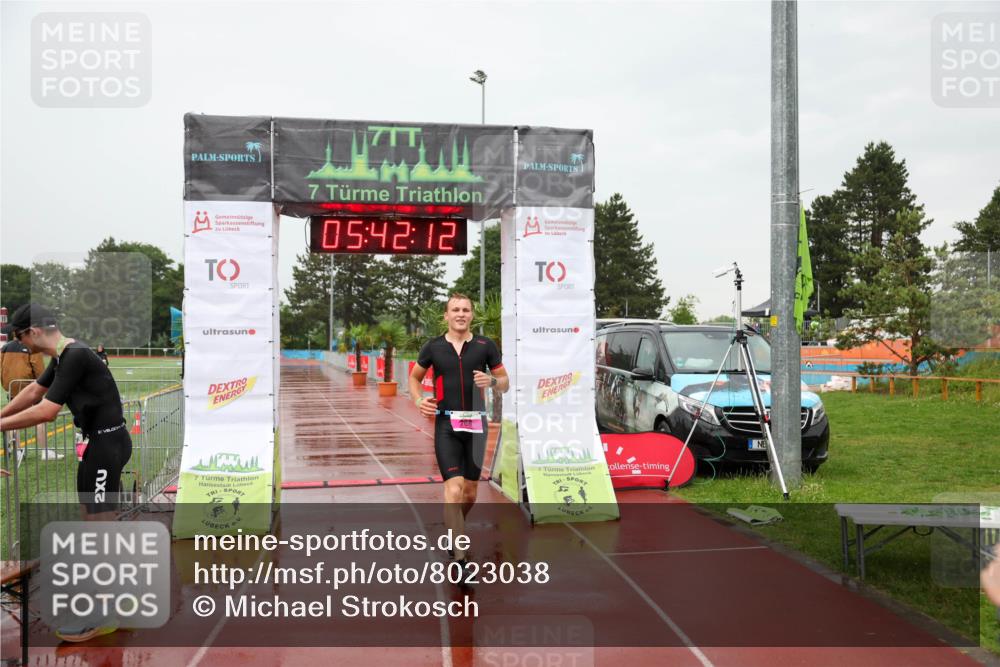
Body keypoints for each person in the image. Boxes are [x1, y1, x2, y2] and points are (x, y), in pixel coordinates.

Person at [0, 304, 131, 642]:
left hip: (106, 447)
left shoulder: (75, 354)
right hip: (98, 447)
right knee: (95, 529)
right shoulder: (63, 356)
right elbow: (32, 392)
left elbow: (45, 411)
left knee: (100, 533)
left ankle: (104, 615)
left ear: (35, 331)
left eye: (20, 336)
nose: (20, 344)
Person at [409, 293, 508, 582]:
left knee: (470, 493)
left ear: (471, 315)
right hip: (447, 425)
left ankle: (455, 526)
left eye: (465, 310)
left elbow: (505, 382)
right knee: (452, 491)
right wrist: (418, 401)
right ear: (446, 315)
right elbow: (415, 378)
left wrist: (491, 381)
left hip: (477, 426)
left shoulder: (485, 346)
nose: (461, 314)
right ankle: (461, 559)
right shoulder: (433, 347)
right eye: (455, 310)